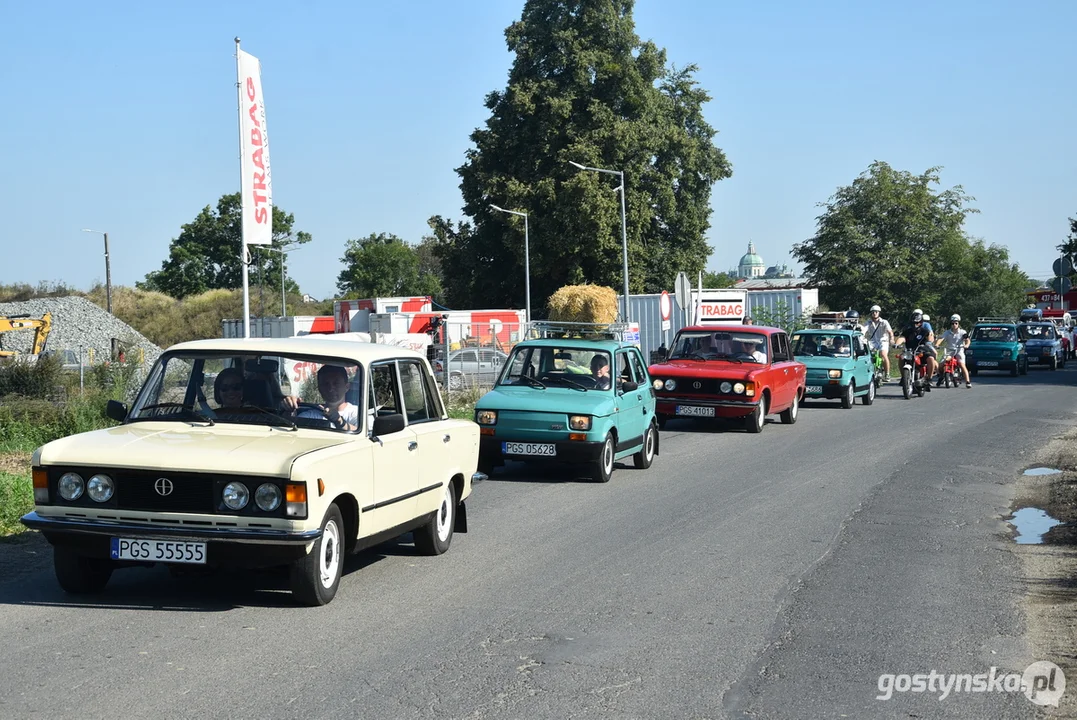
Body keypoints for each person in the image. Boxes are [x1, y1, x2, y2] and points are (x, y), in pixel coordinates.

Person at [285, 365, 360, 430]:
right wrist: (290, 409)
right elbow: (292, 429)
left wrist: (339, 421)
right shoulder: (310, 416)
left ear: (347, 387)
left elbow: (364, 434)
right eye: (325, 384)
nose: (330, 389)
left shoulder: (357, 413)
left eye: (336, 383)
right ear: (319, 388)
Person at [894, 310, 936, 390]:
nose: (915, 325)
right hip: (910, 351)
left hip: (922, 351)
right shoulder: (907, 331)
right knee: (901, 357)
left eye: (917, 323)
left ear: (921, 323)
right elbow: (902, 338)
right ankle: (904, 377)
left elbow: (930, 337)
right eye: (913, 323)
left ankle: (929, 379)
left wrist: (929, 341)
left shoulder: (925, 331)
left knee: (931, 359)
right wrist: (897, 344)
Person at [935, 313, 972, 388]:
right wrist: (937, 344)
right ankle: (941, 376)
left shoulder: (962, 332)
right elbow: (941, 339)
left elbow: (967, 340)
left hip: (959, 350)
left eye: (956, 323)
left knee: (962, 364)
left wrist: (966, 345)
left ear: (958, 323)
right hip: (949, 351)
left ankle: (968, 381)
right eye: (952, 323)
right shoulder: (947, 332)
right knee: (941, 364)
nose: (954, 325)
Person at [863, 305, 895, 381]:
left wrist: (892, 339)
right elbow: (863, 330)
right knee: (866, 355)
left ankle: (887, 374)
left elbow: (890, 332)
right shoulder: (868, 322)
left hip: (883, 341)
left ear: (879, 313)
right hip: (872, 342)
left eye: (876, 312)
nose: (874, 313)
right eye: (873, 312)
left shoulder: (884, 322)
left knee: (883, 355)